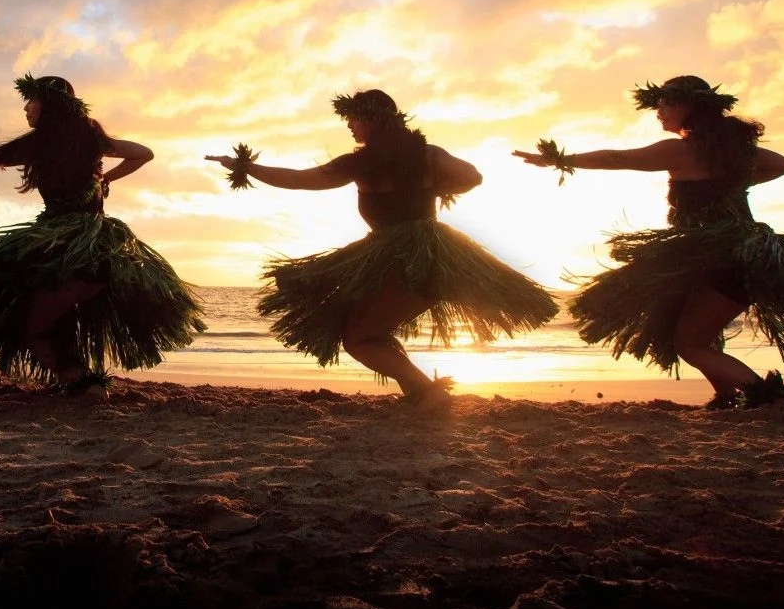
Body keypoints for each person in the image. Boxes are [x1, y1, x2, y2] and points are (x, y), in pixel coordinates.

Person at [513, 75, 784, 408]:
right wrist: (737, 183)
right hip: (737, 254)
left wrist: (560, 160)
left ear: (691, 107)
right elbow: (782, 165)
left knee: (689, 344)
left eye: (665, 104)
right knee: (691, 333)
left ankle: (770, 401)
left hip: (726, 260)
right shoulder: (736, 151)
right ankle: (725, 397)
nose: (659, 112)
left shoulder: (681, 150)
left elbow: (617, 158)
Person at [207, 89, 559, 408]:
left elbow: (299, 180)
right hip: (433, 254)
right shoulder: (427, 154)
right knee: (364, 331)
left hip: (404, 260)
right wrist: (433, 188)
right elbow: (472, 176)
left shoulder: (361, 164)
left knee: (360, 338)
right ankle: (421, 393)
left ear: (374, 120)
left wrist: (243, 166)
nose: (350, 127)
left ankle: (426, 393)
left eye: (354, 119)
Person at [0, 75, 204, 393]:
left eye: (31, 101)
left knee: (29, 329)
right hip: (103, 254)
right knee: (55, 325)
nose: (25, 108)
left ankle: (85, 386)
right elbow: (143, 153)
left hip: (63, 257)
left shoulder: (39, 144)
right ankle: (82, 383)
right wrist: (107, 180)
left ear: (50, 104)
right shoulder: (92, 136)